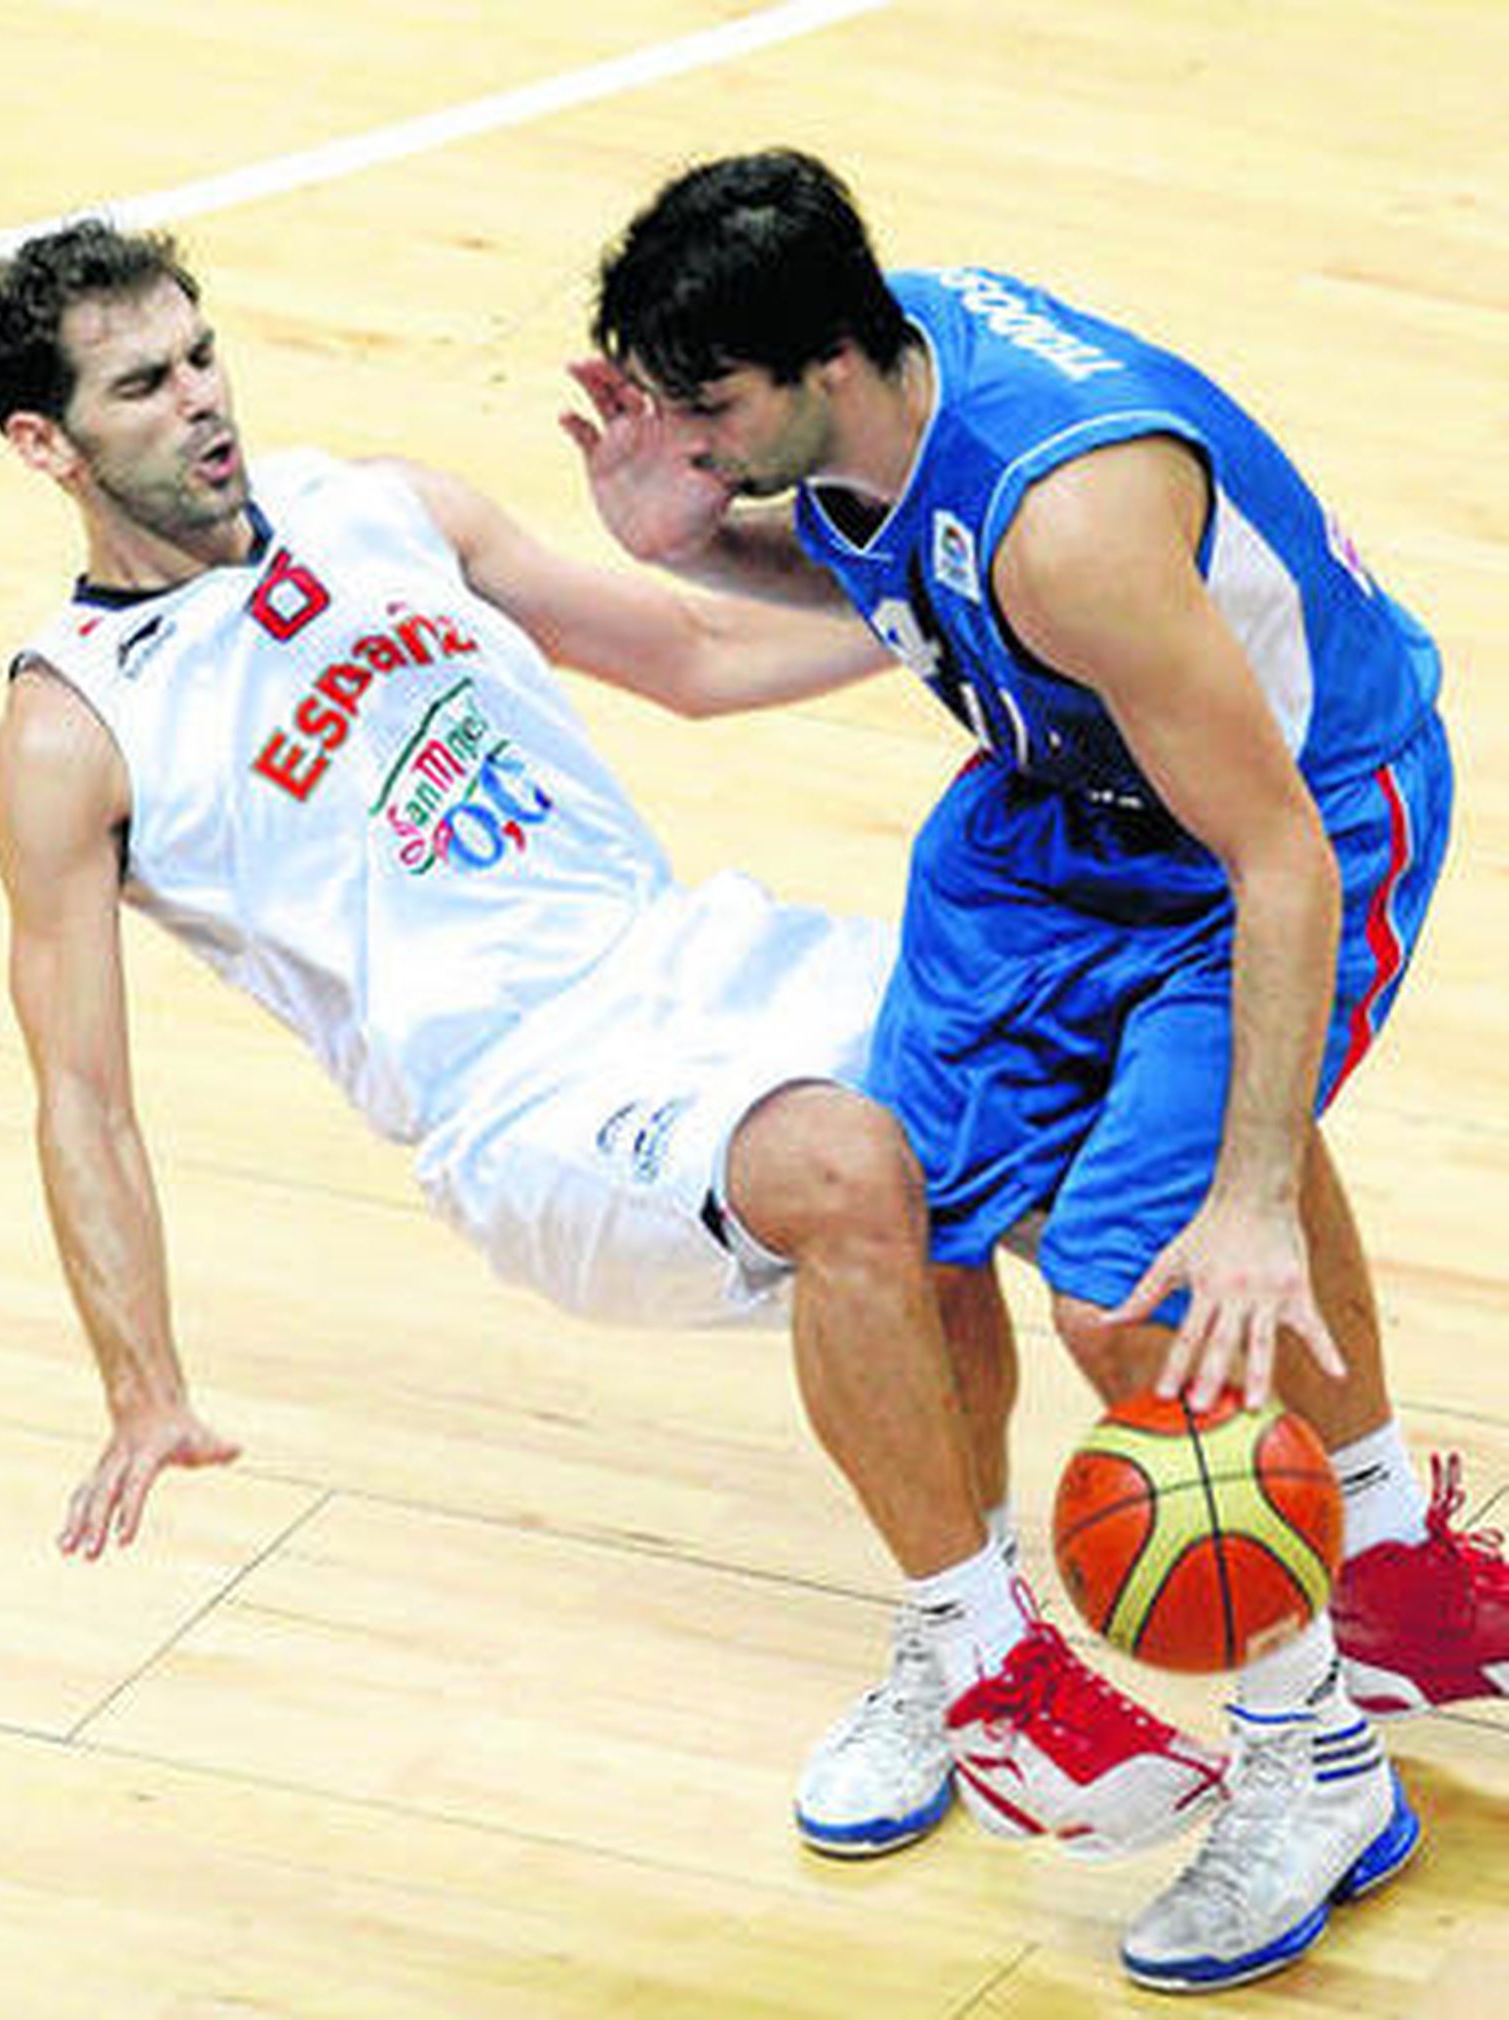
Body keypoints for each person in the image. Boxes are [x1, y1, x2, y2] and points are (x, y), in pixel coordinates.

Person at [0, 221, 1231, 1883]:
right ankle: (996, 1673)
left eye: (201, 356)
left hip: (692, 960)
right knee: (854, 1166)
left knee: (1087, 1065)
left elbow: (691, 658)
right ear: (44, 444)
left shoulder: (376, 507)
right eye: (141, 385)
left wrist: (1001, 595)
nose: (200, 399)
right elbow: (81, 1093)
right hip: (526, 1103)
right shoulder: (71, 729)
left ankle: (1307, 1561)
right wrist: (143, 1386)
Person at [566, 147, 1509, 1990]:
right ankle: (983, 1649)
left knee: (1133, 1293)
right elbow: (891, 580)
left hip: (1286, 821)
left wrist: (1252, 1194)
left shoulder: (1068, 517)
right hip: (1057, 806)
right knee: (888, 1213)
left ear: (832, 360)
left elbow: (1278, 863)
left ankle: (1319, 1767)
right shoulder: (867, 399)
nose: (680, 438)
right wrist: (696, 541)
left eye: (707, 407)